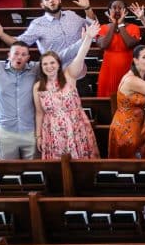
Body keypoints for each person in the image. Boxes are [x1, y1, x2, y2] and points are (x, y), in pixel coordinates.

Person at [33, 25, 100, 159]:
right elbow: (40, 113)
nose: (49, 67)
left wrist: (88, 38)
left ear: (58, 64)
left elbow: (80, 56)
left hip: (76, 126)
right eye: (45, 64)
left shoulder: (69, 75)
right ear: (41, 67)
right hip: (52, 130)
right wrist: (38, 136)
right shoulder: (38, 86)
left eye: (52, 63)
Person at [0, 0, 96, 57]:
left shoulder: (71, 15)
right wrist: (1, 34)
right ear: (42, 5)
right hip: (54, 71)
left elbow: (91, 25)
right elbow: (19, 43)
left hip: (78, 69)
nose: (51, 0)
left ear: (59, 0)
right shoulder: (37, 24)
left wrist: (87, 7)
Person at [95, 0, 142, 98]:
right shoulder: (103, 28)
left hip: (127, 72)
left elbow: (129, 44)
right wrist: (113, 24)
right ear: (109, 11)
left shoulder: (134, 27)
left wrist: (120, 24)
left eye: (120, 8)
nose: (117, 10)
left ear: (126, 11)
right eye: (114, 8)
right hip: (108, 73)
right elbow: (103, 45)